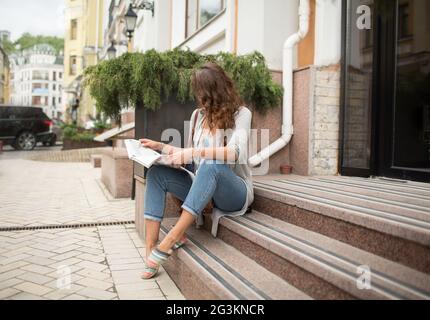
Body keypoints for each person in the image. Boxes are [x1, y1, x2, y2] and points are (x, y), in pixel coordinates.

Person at [139, 62, 254, 279]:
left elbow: (234, 152)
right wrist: (161, 147)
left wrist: (192, 153)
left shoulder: (242, 114)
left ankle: (171, 239)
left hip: (233, 191)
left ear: (216, 90)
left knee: (211, 165)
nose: (199, 98)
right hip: (203, 182)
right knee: (156, 173)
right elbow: (191, 153)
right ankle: (151, 248)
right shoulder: (198, 116)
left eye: (203, 93)